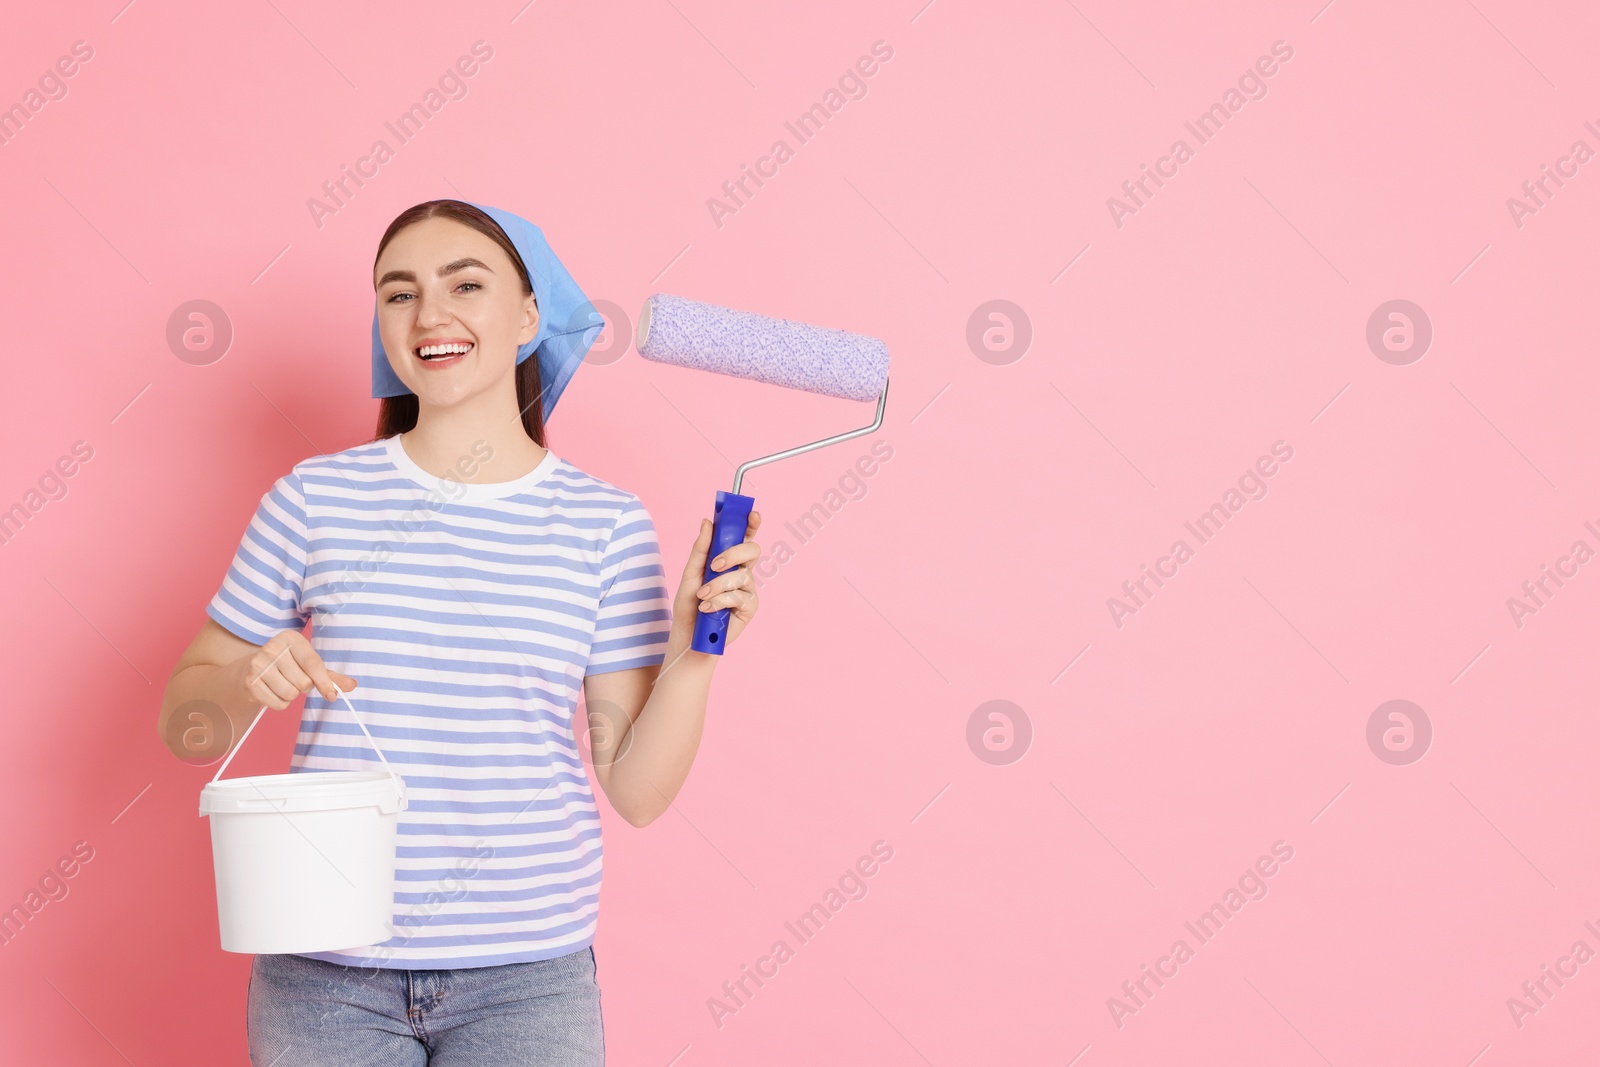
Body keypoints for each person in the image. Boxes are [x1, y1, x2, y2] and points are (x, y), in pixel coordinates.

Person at [158, 199, 761, 1065]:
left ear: (527, 317)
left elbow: (634, 792)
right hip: (323, 978)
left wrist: (693, 658)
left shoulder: (605, 525)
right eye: (398, 293)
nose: (429, 314)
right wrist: (245, 673)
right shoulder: (313, 500)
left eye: (464, 284)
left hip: (527, 982)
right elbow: (185, 726)